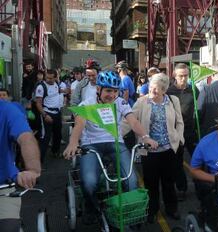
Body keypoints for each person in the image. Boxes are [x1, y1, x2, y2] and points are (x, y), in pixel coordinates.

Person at [63, 70, 158, 224]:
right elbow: (79, 124)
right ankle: (91, 208)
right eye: (108, 91)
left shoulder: (120, 102)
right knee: (89, 182)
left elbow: (133, 121)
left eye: (115, 91)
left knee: (132, 180)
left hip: (115, 142)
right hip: (91, 145)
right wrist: (73, 143)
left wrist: (146, 137)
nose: (112, 95)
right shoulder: (86, 104)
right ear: (98, 89)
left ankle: (128, 212)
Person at [121, 73, 184, 223]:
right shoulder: (142, 102)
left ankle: (171, 209)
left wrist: (179, 138)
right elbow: (129, 121)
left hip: (169, 149)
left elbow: (180, 122)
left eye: (155, 89)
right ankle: (152, 210)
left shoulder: (173, 101)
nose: (151, 92)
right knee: (151, 183)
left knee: (169, 182)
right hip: (149, 151)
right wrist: (114, 135)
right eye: (150, 88)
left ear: (164, 90)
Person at [0, 100, 41, 231]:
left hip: (2, 187)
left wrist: (32, 169)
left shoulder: (7, 110)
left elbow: (26, 138)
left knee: (9, 227)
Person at [167, 63, 199, 199]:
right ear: (174, 75)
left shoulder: (194, 90)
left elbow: (199, 108)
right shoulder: (168, 92)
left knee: (198, 160)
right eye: (181, 76)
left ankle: (201, 186)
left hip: (191, 131)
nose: (184, 79)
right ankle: (182, 188)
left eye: (186, 75)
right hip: (175, 132)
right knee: (177, 162)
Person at [35, 69, 63, 161]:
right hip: (47, 113)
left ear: (55, 78)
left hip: (57, 113)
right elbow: (38, 103)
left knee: (58, 135)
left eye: (51, 78)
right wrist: (45, 115)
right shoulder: (41, 87)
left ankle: (55, 152)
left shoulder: (56, 84)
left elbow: (57, 94)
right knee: (45, 138)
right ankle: (38, 161)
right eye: (47, 77)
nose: (48, 79)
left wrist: (65, 91)